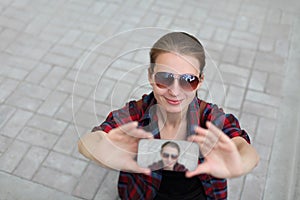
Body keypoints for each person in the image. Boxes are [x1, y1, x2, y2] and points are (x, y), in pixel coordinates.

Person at [78, 32, 259, 199]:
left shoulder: (211, 118)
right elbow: (90, 141)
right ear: (150, 76)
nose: (174, 91)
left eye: (188, 80)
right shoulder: (136, 113)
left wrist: (238, 164)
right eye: (164, 78)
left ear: (200, 81)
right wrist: (102, 149)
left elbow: (244, 148)